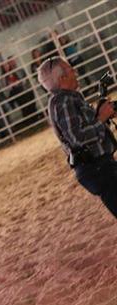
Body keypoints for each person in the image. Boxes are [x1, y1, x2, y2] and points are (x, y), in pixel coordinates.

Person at [39, 57, 117, 218]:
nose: (75, 71)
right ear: (62, 78)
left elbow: (84, 130)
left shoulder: (67, 99)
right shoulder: (63, 102)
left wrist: (102, 115)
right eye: (70, 69)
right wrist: (101, 118)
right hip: (97, 167)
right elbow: (79, 137)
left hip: (99, 166)